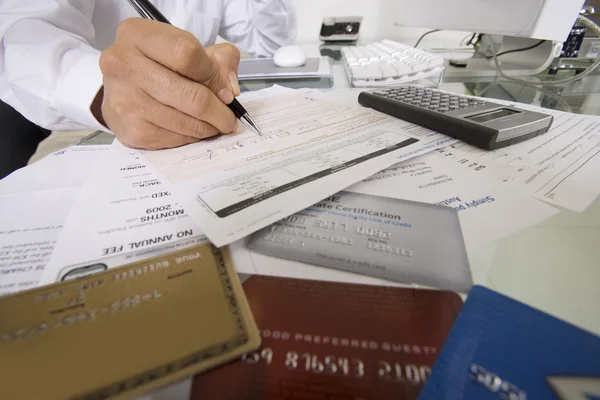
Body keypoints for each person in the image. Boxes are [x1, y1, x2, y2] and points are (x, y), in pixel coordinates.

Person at [0, 0, 296, 157]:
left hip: (194, 123)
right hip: (75, 123)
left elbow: (273, 43)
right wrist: (104, 94)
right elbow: (26, 35)